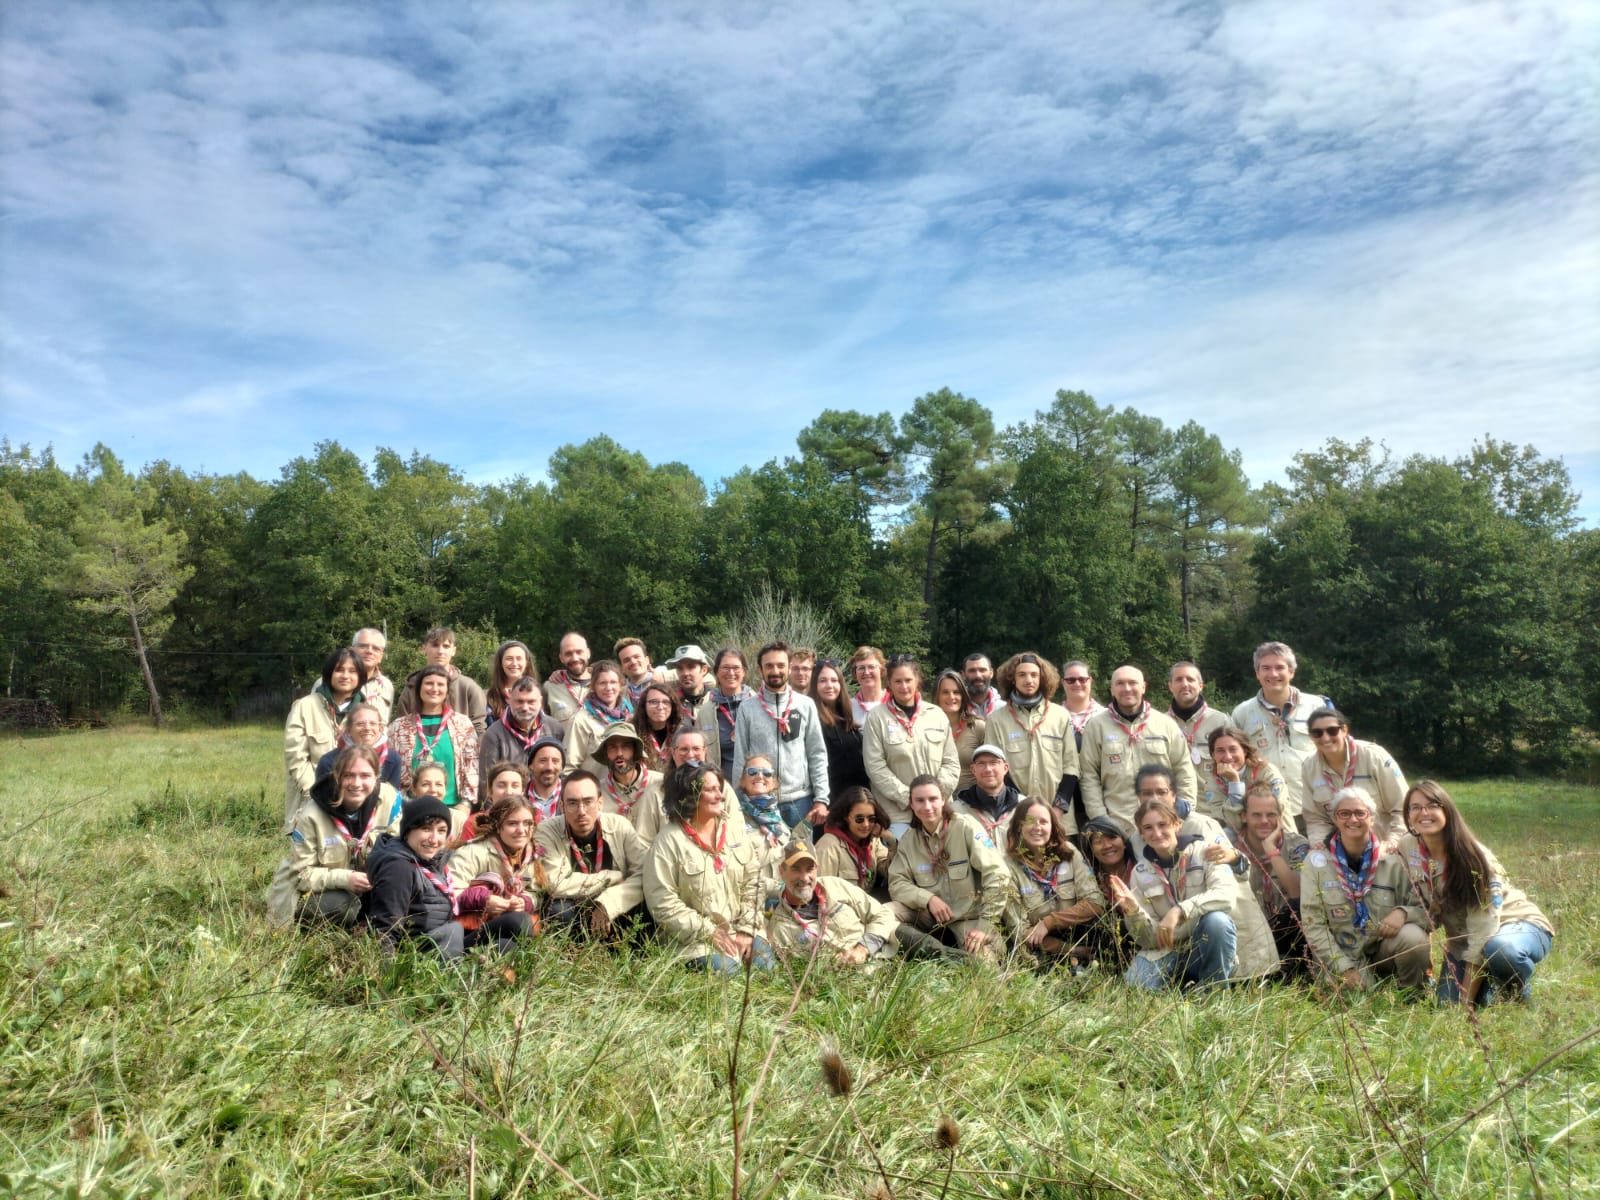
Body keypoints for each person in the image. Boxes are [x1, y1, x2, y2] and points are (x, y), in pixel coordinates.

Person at [1400, 781, 1554, 1006]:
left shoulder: (1473, 859)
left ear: (1447, 811)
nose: (1424, 813)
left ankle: (1516, 994)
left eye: (1433, 805)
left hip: (1516, 926)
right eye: (1415, 807)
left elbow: (1484, 932)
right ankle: (1490, 985)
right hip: (1465, 941)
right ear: (1407, 814)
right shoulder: (1408, 846)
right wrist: (1402, 913)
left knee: (1502, 951)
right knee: (1446, 1007)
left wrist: (1466, 1004)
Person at [1107, 798, 1260, 991]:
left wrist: (1180, 910)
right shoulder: (1140, 872)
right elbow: (1147, 940)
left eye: (1163, 824)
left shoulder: (1207, 852)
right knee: (1135, 987)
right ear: (1142, 834)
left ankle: (1214, 992)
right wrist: (1133, 912)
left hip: (1204, 944)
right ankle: (1187, 990)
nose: (1157, 833)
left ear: (1177, 824)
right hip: (1166, 950)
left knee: (1217, 921)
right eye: (1148, 828)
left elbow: (1225, 896)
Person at [643, 763, 774, 972]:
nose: (720, 795)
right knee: (730, 976)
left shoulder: (734, 831)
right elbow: (662, 903)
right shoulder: (667, 843)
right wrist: (709, 932)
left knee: (765, 970)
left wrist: (746, 929)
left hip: (742, 929)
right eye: (710, 790)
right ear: (690, 796)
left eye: (719, 788)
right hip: (695, 943)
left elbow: (753, 882)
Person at [1300, 786, 1431, 993]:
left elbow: (1427, 911)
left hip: (1382, 950)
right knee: (1355, 1003)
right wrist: (1344, 968)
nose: (1353, 820)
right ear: (1335, 819)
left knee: (1414, 937)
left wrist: (1404, 913)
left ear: (1372, 818)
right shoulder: (1316, 864)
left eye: (1360, 813)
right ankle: (1366, 987)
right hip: (1340, 956)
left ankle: (1412, 997)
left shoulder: (1394, 861)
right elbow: (1313, 924)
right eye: (1345, 813)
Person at [267, 745, 399, 927]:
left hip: (372, 887)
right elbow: (300, 875)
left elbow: (404, 849)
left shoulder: (390, 800)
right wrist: (345, 879)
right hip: (324, 892)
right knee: (343, 905)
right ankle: (318, 931)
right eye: (349, 775)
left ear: (376, 777)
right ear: (337, 777)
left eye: (365, 776)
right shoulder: (311, 814)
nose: (357, 783)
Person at [887, 775, 1007, 961]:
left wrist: (984, 927)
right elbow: (897, 883)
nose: (927, 807)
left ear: (943, 800)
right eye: (919, 800)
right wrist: (928, 899)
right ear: (911, 804)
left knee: (984, 969)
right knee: (885, 914)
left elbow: (998, 874)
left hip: (968, 919)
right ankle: (933, 952)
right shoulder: (909, 840)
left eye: (933, 799)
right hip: (931, 918)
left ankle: (945, 957)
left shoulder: (965, 827)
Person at [362, 796, 491, 959]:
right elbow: (385, 930)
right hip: (414, 953)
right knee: (453, 931)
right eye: (426, 829)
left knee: (510, 927)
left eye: (441, 830)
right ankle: (451, 978)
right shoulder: (399, 867)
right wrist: (388, 978)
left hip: (440, 938)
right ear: (408, 831)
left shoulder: (436, 861)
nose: (434, 839)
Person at [1079, 665, 1196, 843]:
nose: (1127, 688)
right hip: (1118, 826)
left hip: (1163, 826)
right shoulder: (1096, 726)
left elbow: (1183, 768)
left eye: (1133, 683)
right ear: (1112, 689)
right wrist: (1100, 818)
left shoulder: (1165, 724)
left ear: (1143, 687)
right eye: (1120, 683)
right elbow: (1088, 775)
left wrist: (1183, 808)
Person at [536, 769, 649, 941]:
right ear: (562, 806)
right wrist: (611, 877)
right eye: (573, 803)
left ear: (600, 803)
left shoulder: (620, 826)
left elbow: (643, 874)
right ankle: (568, 958)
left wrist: (608, 903)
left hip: (614, 902)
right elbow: (555, 884)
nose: (581, 811)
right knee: (558, 909)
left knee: (645, 903)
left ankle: (633, 956)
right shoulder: (546, 830)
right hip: (573, 904)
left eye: (588, 802)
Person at [1229, 641, 1332, 830]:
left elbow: (1335, 752)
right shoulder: (1242, 713)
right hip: (1266, 812)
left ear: (1291, 672)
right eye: (1266, 668)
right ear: (1257, 673)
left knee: (1318, 859)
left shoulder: (1316, 706)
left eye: (1279, 667)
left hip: (1313, 806)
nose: (1273, 674)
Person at [732, 641, 830, 831]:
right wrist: (739, 800)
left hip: (799, 802)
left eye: (780, 665)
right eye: (769, 666)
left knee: (801, 858)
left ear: (789, 668)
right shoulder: (748, 707)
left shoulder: (806, 705)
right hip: (759, 802)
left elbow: (817, 754)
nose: (775, 670)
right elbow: (740, 758)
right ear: (760, 670)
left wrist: (821, 799)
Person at [764, 840, 899, 969]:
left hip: (886, 949)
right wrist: (843, 961)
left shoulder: (835, 885)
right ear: (781, 871)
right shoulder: (779, 928)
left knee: (913, 939)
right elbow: (805, 972)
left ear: (817, 869)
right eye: (796, 869)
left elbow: (882, 913)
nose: (804, 878)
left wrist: (863, 948)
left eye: (810, 869)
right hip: (851, 980)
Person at [1002, 798, 1104, 968]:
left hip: (1077, 933)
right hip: (1044, 947)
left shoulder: (1070, 853)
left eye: (1044, 821)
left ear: (1052, 826)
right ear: (1019, 826)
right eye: (1030, 821)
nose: (1037, 827)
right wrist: (1072, 950)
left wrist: (1049, 922)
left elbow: (1096, 903)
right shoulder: (1008, 867)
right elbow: (1020, 932)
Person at [862, 656, 959, 833]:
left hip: (939, 812)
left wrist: (932, 798)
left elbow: (951, 762)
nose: (904, 686)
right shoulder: (876, 718)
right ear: (889, 683)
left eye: (908, 680)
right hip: (899, 814)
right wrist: (910, 798)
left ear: (917, 680)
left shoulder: (936, 714)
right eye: (897, 681)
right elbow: (875, 766)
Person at [984, 652, 1080, 830]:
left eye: (1034, 675)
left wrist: (1058, 809)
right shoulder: (996, 720)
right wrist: (1023, 808)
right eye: (1022, 674)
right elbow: (996, 769)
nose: (1029, 680)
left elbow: (1071, 766)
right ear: (1012, 679)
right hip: (1017, 816)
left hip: (1060, 819)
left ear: (1042, 678)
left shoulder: (1060, 715)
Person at [1227, 781, 1311, 979]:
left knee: (1301, 907)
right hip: (1247, 931)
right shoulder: (1230, 849)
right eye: (1257, 815)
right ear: (1244, 817)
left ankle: (1287, 966)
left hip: (1284, 928)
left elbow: (1297, 894)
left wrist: (1271, 851)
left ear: (1280, 818)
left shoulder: (1296, 845)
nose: (1264, 821)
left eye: (1271, 815)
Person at [387, 664, 479, 836]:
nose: (434, 689)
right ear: (419, 688)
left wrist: (465, 804)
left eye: (440, 684)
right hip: (410, 810)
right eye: (429, 683)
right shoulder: (399, 727)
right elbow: (390, 771)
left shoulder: (463, 725)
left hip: (452, 810)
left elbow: (472, 767)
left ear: (447, 690)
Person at [284, 647, 368, 828]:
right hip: (310, 800)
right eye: (339, 670)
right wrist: (316, 792)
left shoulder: (366, 711)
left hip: (356, 800)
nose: (345, 675)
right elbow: (295, 757)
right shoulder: (304, 706)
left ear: (360, 676)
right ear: (328, 673)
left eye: (352, 671)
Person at [1301, 707, 1407, 849]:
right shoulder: (1309, 767)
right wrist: (1320, 844)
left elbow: (1403, 807)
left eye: (1332, 731)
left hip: (1385, 846)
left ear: (1344, 730)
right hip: (1341, 850)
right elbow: (1315, 818)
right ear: (1310, 736)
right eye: (1317, 733)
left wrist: (1393, 842)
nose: (1325, 738)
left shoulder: (1374, 756)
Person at [447, 792, 543, 945]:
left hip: (503, 926)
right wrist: (483, 900)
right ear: (498, 826)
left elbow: (536, 892)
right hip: (469, 928)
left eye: (528, 823)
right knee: (520, 921)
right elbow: (450, 892)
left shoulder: (531, 855)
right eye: (512, 824)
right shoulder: (473, 852)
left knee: (510, 942)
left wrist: (524, 901)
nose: (522, 830)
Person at [478, 677, 566, 796]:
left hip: (550, 803)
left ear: (540, 701)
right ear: (509, 699)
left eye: (531, 702)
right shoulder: (493, 735)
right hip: (510, 805)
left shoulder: (555, 729)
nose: (525, 708)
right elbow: (487, 783)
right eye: (519, 701)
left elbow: (562, 772)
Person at [395, 626, 488, 735]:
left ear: (454, 651)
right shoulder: (412, 686)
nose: (440, 651)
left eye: (446, 646)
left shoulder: (469, 687)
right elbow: (402, 729)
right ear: (424, 649)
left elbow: (479, 729)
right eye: (435, 645)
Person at [1195, 725, 1287, 833]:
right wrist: (1235, 783)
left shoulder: (1266, 771)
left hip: (1277, 834)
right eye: (1220, 751)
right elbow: (1232, 823)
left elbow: (1275, 812)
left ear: (1244, 751)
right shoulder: (1213, 782)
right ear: (1213, 755)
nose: (1228, 756)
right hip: (1241, 839)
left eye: (1233, 749)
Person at [813, 787, 897, 902]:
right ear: (846, 817)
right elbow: (821, 894)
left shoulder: (872, 841)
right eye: (859, 819)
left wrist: (890, 839)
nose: (866, 825)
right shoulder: (828, 846)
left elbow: (891, 871)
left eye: (871, 819)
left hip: (865, 905)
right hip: (840, 910)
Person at [1080, 815, 1139, 971]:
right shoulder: (1088, 876)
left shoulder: (1141, 868)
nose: (1107, 845)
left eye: (1112, 838)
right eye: (1098, 842)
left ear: (1124, 842)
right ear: (1090, 849)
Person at [314, 701, 403, 797]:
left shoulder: (393, 759)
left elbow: (392, 799)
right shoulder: (329, 761)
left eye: (373, 723)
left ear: (380, 728)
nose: (367, 728)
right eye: (360, 724)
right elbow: (324, 800)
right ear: (348, 730)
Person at [591, 722, 665, 837]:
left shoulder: (660, 783)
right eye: (613, 747)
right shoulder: (598, 792)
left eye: (625, 747)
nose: (619, 753)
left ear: (635, 751)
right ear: (606, 754)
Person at [811, 658, 868, 800]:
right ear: (814, 685)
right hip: (833, 801)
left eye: (834, 680)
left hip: (858, 798)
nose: (829, 685)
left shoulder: (847, 718)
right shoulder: (813, 720)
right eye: (823, 681)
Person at [564, 660, 632, 768]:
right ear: (593, 686)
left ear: (621, 685)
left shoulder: (632, 717)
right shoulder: (581, 720)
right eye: (602, 683)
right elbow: (570, 765)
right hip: (595, 783)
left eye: (613, 682)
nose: (608, 688)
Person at [952, 743, 1024, 843]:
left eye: (994, 763)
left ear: (1005, 768)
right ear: (973, 769)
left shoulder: (1023, 807)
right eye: (981, 763)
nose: (988, 769)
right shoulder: (957, 811)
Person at [1166, 661, 1228, 776]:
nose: (1185, 684)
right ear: (1170, 686)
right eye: (1179, 680)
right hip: (1172, 792)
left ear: (1200, 685)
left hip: (1212, 793)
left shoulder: (1221, 721)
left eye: (1190, 679)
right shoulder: (1159, 723)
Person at [935, 668, 987, 791]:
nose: (951, 697)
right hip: (935, 801)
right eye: (945, 692)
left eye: (956, 692)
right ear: (937, 695)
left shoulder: (978, 727)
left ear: (963, 695)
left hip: (970, 802)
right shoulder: (925, 727)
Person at [667, 645, 721, 761]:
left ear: (704, 670)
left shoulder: (717, 701)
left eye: (691, 667)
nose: (685, 673)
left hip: (714, 773)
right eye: (680, 668)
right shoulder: (670, 704)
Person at [709, 647, 755, 778]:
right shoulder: (706, 712)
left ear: (744, 671)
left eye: (736, 668)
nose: (731, 672)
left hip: (757, 786)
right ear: (717, 672)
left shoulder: (758, 704)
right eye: (725, 667)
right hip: (722, 789)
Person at [486, 639, 539, 728]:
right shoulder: (489, 698)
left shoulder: (540, 693)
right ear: (500, 663)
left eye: (519, 658)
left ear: (527, 663)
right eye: (509, 659)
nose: (514, 663)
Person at [542, 631, 593, 724]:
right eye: (568, 654)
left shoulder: (606, 684)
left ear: (588, 653)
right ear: (561, 658)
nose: (575, 658)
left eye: (579, 652)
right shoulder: (550, 688)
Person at [630, 681, 679, 768]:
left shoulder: (680, 733)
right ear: (644, 706)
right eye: (653, 702)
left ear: (673, 706)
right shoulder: (632, 734)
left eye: (666, 702)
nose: (660, 707)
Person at [352, 628, 394, 724]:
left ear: (381, 656)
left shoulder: (387, 686)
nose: (369, 651)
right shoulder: (331, 681)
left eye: (376, 648)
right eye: (363, 646)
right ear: (352, 650)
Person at [1061, 660, 1105, 749]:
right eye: (1071, 680)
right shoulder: (1052, 716)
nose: (1077, 684)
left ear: (1090, 681)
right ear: (1063, 683)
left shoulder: (1105, 716)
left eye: (1082, 679)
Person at [614, 636, 670, 705]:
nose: (633, 662)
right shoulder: (618, 693)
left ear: (647, 660)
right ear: (622, 668)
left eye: (636, 657)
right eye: (626, 660)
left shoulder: (667, 682)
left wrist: (665, 676)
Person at [526, 738, 566, 823]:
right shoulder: (520, 795)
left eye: (555, 761)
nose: (549, 767)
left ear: (562, 766)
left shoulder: (572, 796)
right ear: (531, 765)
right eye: (543, 761)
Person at [848, 645, 889, 726]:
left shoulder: (894, 704)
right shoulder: (848, 707)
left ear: (881, 670)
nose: (866, 672)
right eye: (861, 668)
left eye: (871, 667)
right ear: (855, 673)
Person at [962, 653, 1001, 717]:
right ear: (963, 675)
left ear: (991, 673)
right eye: (972, 671)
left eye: (982, 670)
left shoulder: (1004, 708)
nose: (978, 675)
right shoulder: (955, 708)